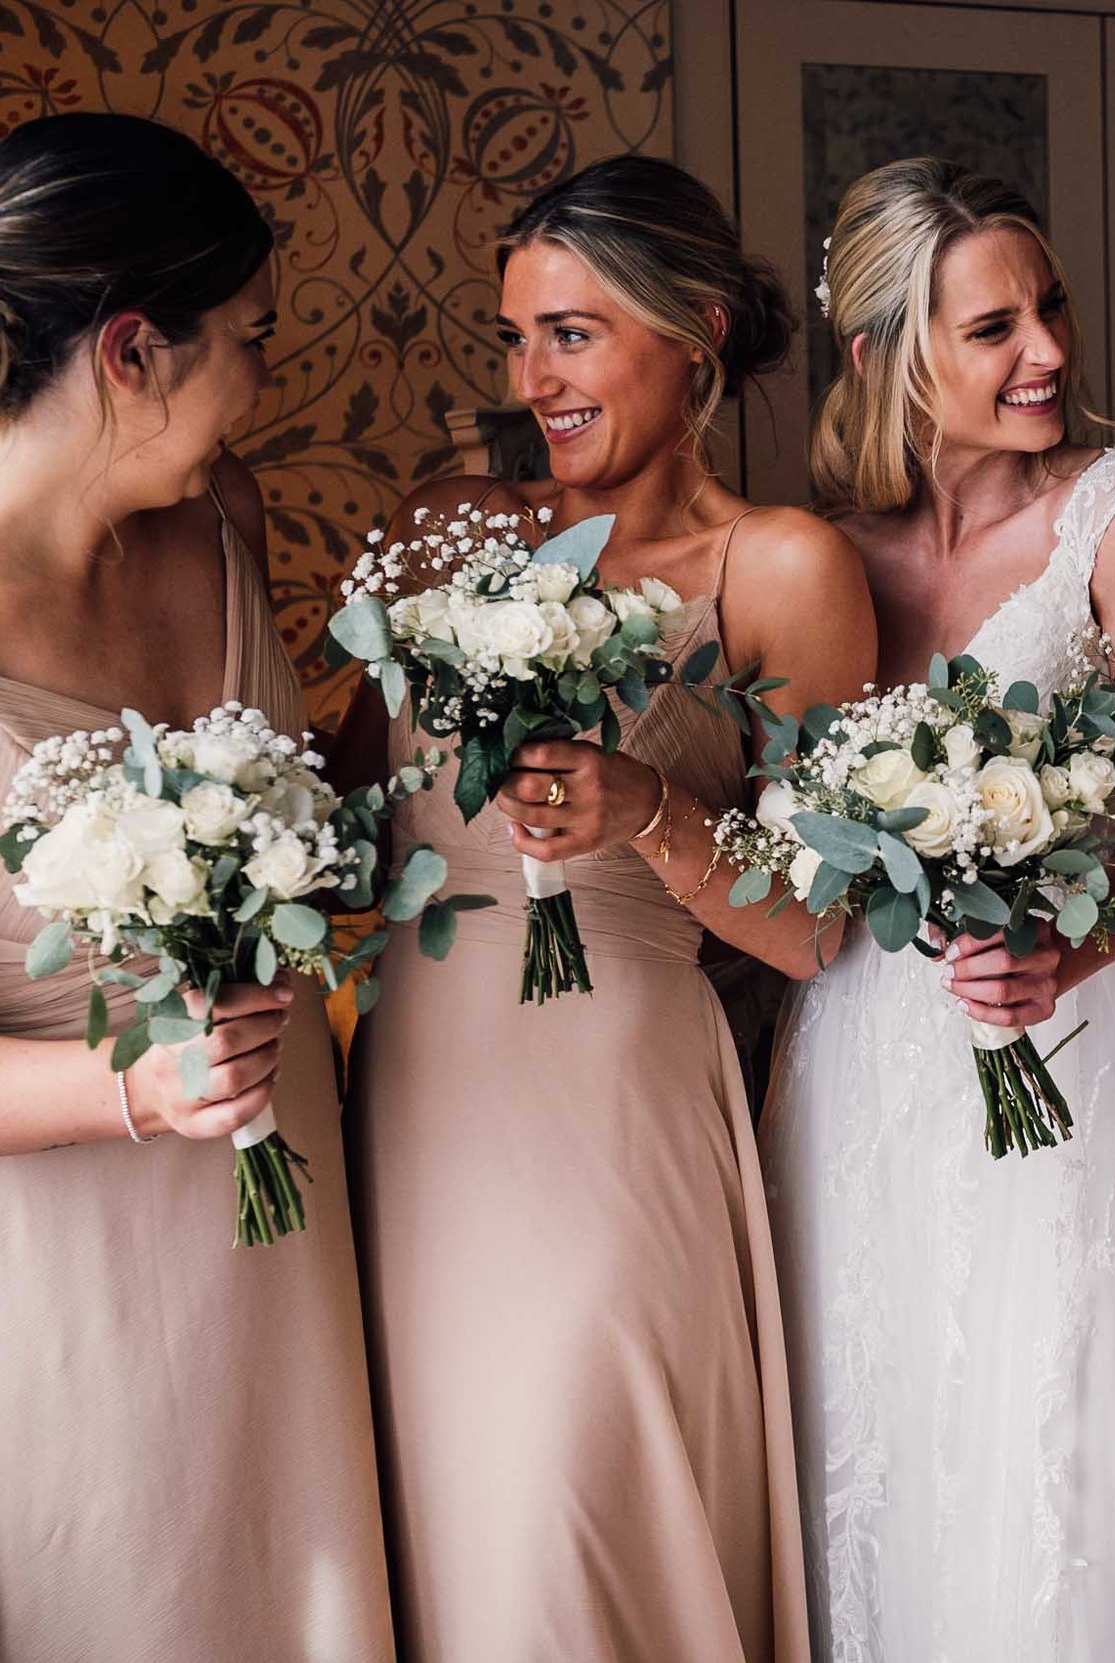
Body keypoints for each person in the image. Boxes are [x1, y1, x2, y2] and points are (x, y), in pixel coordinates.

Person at [762, 157, 1115, 1661]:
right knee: (881, 1434)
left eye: (1050, 308)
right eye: (994, 326)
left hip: (1072, 1040)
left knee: (1060, 1446)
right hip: (870, 1042)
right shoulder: (824, 554)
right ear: (885, 356)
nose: (1050, 355)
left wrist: (1074, 945)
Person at [0, 113, 392, 1657]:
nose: (266, 382)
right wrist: (137, 1091)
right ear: (136, 352)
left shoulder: (220, 524)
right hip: (56, 1284)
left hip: (276, 1238)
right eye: (254, 340)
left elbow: (310, 818)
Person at [340, 156, 875, 1663]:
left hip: (613, 1100)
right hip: (419, 1095)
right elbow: (346, 797)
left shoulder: (778, 564)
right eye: (517, 338)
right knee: (437, 1519)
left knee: (565, 1511)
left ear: (694, 330)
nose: (534, 377)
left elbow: (819, 925)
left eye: (571, 333)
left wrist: (650, 811)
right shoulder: (450, 525)